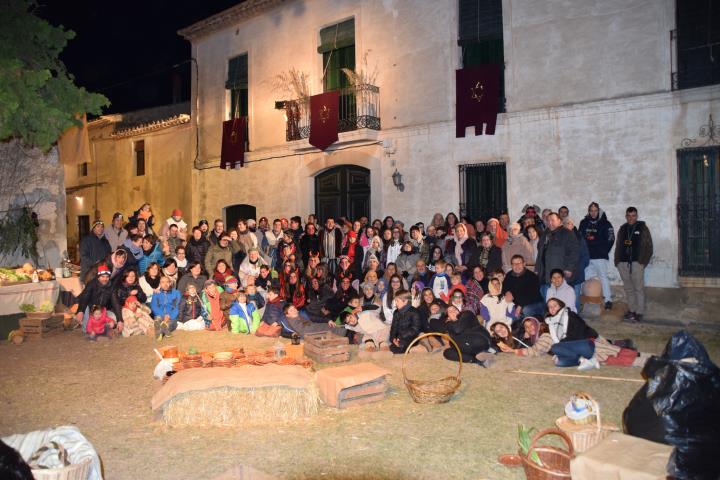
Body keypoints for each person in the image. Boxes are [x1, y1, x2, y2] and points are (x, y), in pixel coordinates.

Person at [615, 207, 653, 322]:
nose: (631, 218)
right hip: (623, 263)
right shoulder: (623, 228)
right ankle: (632, 310)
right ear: (626, 216)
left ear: (637, 216)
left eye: (633, 215)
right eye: (629, 216)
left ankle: (639, 312)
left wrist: (642, 263)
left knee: (638, 288)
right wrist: (617, 261)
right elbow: (618, 245)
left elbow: (649, 247)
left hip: (637, 263)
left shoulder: (642, 228)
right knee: (628, 288)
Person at [544, 297, 599, 369]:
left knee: (555, 347)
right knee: (559, 362)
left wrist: (560, 346)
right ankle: (584, 360)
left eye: (555, 305)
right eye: (550, 307)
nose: (552, 308)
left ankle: (587, 358)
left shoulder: (570, 315)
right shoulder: (550, 322)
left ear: (561, 306)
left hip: (585, 344)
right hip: (572, 347)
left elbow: (578, 334)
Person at [579, 202, 615, 310]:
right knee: (582, 277)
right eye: (591, 210)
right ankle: (579, 298)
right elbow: (580, 238)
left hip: (599, 256)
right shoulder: (584, 222)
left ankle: (608, 299)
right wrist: (582, 251)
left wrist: (603, 251)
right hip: (587, 256)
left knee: (603, 277)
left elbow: (611, 238)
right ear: (589, 211)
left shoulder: (605, 223)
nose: (593, 213)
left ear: (598, 211)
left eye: (595, 210)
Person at [536, 212, 580, 291]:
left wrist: (569, 268)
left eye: (553, 220)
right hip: (545, 274)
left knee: (562, 301)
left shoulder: (567, 233)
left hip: (560, 274)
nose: (550, 222)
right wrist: (537, 268)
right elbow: (540, 253)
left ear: (559, 221)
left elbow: (575, 252)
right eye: (548, 220)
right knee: (547, 299)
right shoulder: (545, 234)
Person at [501, 255, 544, 319]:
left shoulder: (532, 276)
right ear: (511, 266)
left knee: (526, 310)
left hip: (534, 303)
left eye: (519, 263)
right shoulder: (509, 275)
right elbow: (504, 287)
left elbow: (531, 294)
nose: (516, 266)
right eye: (514, 264)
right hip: (517, 304)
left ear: (524, 264)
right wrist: (507, 292)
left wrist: (520, 306)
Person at [76, 264, 117, 333]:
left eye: (107, 277)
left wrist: (120, 320)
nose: (105, 279)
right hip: (90, 308)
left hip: (102, 310)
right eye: (103, 277)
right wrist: (81, 310)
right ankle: (84, 320)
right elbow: (85, 298)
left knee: (114, 321)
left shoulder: (111, 286)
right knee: (86, 330)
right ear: (98, 277)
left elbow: (116, 303)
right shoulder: (91, 284)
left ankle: (100, 325)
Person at [388, 290, 422, 354]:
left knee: (400, 347)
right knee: (393, 347)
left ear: (405, 301)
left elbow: (415, 329)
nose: (395, 303)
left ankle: (417, 347)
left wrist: (401, 336)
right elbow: (393, 328)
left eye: (397, 301)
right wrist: (393, 338)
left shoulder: (414, 312)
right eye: (395, 301)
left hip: (411, 337)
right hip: (399, 338)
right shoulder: (396, 312)